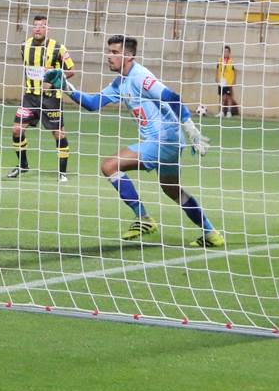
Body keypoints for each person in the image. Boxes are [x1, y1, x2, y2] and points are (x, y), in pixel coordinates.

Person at [46, 36, 222, 247]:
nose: (108, 56)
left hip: (163, 140)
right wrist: (65, 86)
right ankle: (211, 233)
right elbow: (93, 103)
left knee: (109, 165)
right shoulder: (120, 82)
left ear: (128, 56)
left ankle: (144, 219)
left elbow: (172, 97)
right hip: (169, 143)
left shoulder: (140, 77)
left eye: (114, 52)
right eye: (108, 51)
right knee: (172, 190)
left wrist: (191, 130)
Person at [9, 15, 75, 182]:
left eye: (42, 26)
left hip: (51, 98)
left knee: (58, 133)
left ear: (48, 29)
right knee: (17, 129)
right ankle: (23, 165)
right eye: (35, 25)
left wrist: (54, 79)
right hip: (30, 97)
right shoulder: (24, 46)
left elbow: (71, 71)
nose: (38, 28)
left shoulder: (59, 48)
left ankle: (62, 173)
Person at [215, 45, 240, 117]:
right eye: (224, 51)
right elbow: (217, 69)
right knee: (221, 97)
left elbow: (234, 71)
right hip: (221, 81)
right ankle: (221, 112)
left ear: (229, 53)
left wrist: (234, 80)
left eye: (227, 52)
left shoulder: (231, 61)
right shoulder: (219, 60)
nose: (225, 53)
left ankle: (229, 112)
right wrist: (216, 78)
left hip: (228, 81)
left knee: (229, 97)